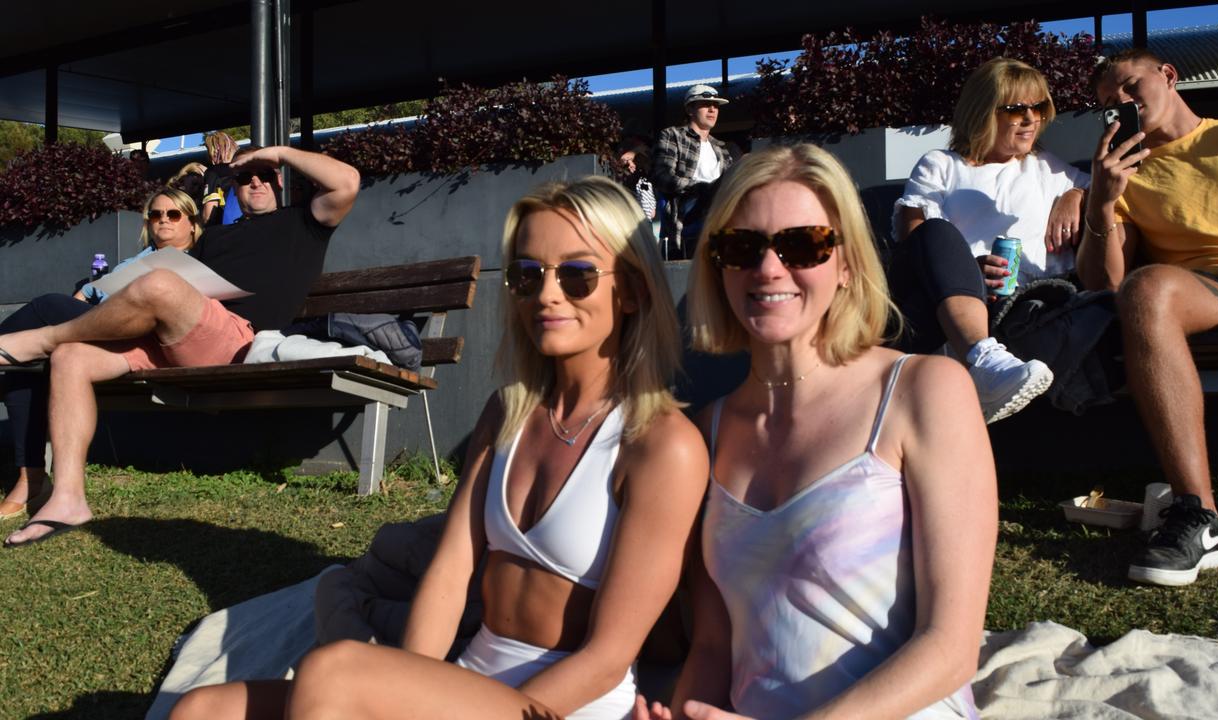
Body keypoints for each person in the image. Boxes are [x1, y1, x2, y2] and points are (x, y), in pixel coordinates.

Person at [168, 176, 708, 719]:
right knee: (204, 709)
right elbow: (451, 574)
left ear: (633, 290)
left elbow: (607, 658)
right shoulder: (509, 411)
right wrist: (405, 687)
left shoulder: (661, 446)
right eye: (527, 274)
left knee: (333, 672)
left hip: (562, 706)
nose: (547, 293)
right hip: (468, 682)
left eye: (577, 274)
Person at [638, 143, 996, 720]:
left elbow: (950, 648)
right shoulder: (701, 434)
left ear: (847, 262)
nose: (769, 268)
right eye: (742, 246)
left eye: (803, 244)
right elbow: (711, 647)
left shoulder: (923, 391)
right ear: (718, 265)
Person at [0, 145, 359, 547]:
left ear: (280, 180)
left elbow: (347, 181)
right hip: (173, 332)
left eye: (264, 175)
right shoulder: (217, 236)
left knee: (157, 285)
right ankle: (67, 498)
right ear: (234, 189)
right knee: (71, 357)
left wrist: (276, 151)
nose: (254, 182)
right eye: (245, 178)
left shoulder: (304, 223)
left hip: (237, 337)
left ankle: (33, 341)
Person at [1079, 49, 1218, 586]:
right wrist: (1100, 203)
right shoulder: (1126, 175)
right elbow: (1106, 285)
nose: (1119, 104)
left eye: (1128, 87)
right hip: (1216, 294)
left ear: (1168, 75)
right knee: (1146, 290)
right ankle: (1200, 512)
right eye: (1107, 103)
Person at [891, 57, 1089, 423]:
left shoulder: (1046, 167)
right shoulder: (942, 164)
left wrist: (1074, 196)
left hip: (1025, 298)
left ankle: (981, 366)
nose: (1031, 119)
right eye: (1016, 109)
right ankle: (984, 361)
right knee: (935, 233)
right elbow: (914, 237)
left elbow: (1105, 188)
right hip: (945, 297)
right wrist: (967, 270)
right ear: (983, 111)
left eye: (1039, 107)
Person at [0, 188, 203, 522]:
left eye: (173, 214)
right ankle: (30, 478)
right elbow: (85, 296)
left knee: (47, 304)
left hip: (142, 336)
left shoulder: (195, 259)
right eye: (156, 215)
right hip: (99, 327)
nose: (163, 220)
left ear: (192, 224)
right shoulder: (134, 261)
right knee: (26, 368)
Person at [652, 84, 733, 256]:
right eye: (705, 104)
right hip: (687, 217)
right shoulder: (673, 135)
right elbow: (662, 176)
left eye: (716, 106)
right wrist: (701, 188)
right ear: (690, 109)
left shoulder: (721, 148)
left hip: (720, 213)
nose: (712, 109)